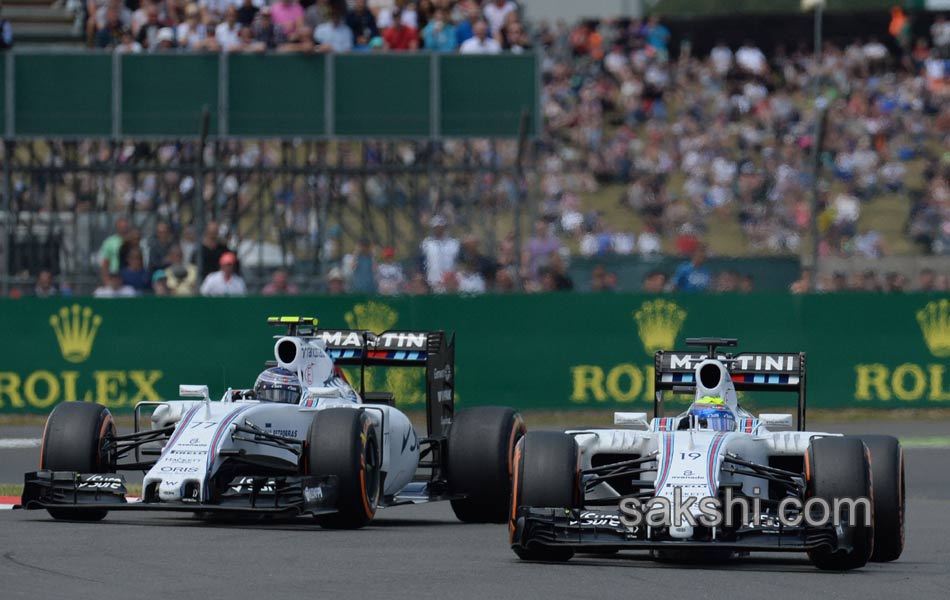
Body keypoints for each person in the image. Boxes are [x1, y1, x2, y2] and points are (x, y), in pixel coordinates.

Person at [420, 215, 459, 293]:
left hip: (450, 284)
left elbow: (458, 262)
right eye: (436, 227)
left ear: (444, 228)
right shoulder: (426, 243)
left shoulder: (453, 243)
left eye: (441, 227)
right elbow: (422, 263)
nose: (439, 229)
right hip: (432, 283)